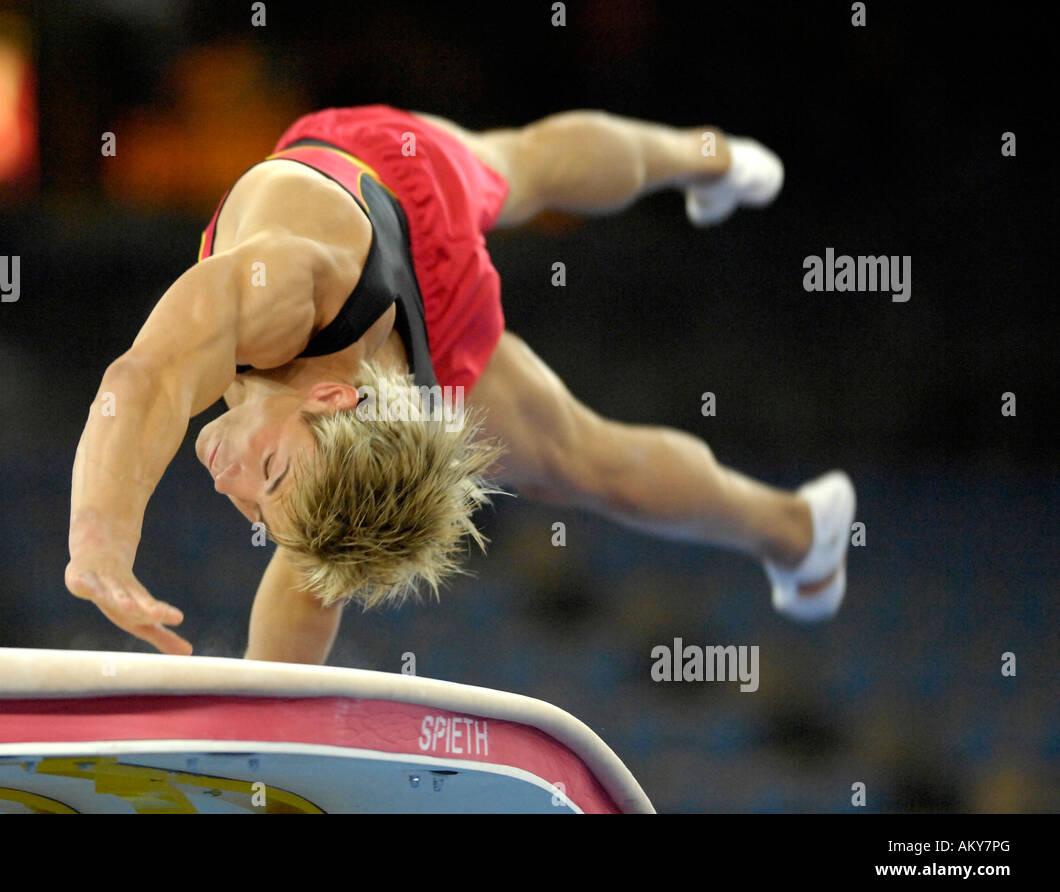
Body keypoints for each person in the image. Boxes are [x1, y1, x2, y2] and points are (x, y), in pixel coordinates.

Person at [64, 104, 856, 663]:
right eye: (267, 474)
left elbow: (304, 547)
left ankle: (800, 527)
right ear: (333, 398)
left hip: (413, 331)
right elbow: (144, 378)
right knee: (527, 171)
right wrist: (101, 535)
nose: (231, 484)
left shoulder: (330, 432)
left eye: (259, 508)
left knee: (586, 453)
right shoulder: (280, 288)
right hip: (403, 185)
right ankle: (704, 154)